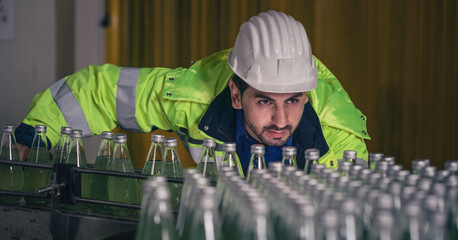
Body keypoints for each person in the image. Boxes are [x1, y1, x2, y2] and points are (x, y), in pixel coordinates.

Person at [14, 10, 370, 176]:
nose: (281, 120)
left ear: (306, 94)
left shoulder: (341, 143)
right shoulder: (192, 98)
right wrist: (37, 132)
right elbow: (100, 91)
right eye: (264, 100)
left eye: (293, 100)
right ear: (235, 93)